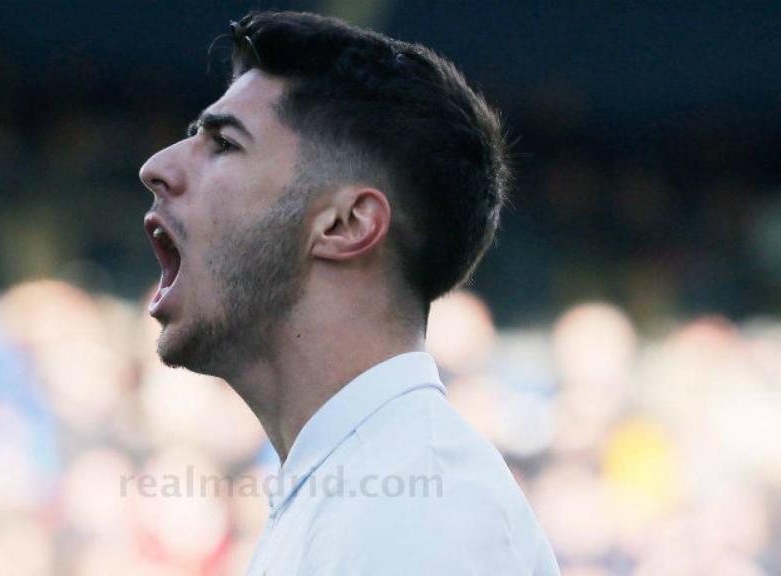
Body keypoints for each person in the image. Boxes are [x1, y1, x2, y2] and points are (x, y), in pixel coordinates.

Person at [138, 10, 560, 575]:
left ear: (346, 225)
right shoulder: (362, 484)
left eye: (223, 144)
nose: (157, 167)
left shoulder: (416, 515)